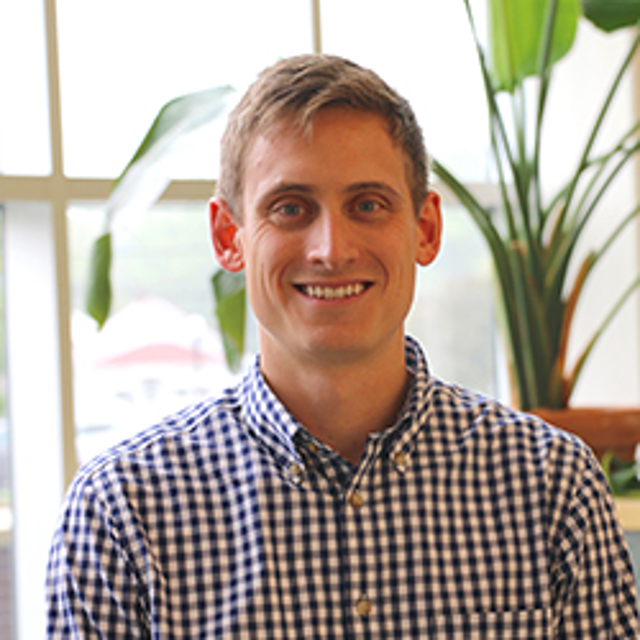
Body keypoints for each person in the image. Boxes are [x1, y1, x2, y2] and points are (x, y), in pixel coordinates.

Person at [46, 54, 638, 638]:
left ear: (425, 228)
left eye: (367, 205)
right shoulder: (122, 514)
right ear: (229, 237)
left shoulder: (552, 486)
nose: (331, 249)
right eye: (290, 208)